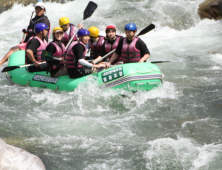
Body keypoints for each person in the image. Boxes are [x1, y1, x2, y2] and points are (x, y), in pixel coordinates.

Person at [0, 1, 50, 67]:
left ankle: (0, 63)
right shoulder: (33, 19)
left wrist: (31, 32)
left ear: (44, 10)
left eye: (40, 9)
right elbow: (29, 33)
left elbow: (42, 33)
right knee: (17, 47)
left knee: (13, 49)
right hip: (32, 41)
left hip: (37, 42)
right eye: (37, 8)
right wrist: (26, 34)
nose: (38, 10)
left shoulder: (44, 20)